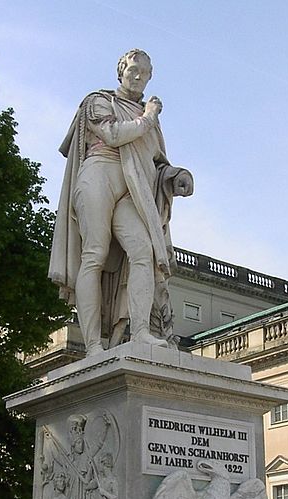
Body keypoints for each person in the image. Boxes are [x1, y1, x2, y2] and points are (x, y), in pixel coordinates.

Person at [49, 49, 193, 355]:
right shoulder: (99, 101)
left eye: (146, 73)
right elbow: (113, 134)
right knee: (95, 253)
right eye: (134, 71)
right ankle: (92, 346)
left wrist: (175, 174)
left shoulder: (147, 120)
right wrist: (149, 116)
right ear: (121, 72)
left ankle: (140, 331)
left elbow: (154, 161)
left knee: (144, 251)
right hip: (99, 173)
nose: (139, 77)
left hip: (134, 185)